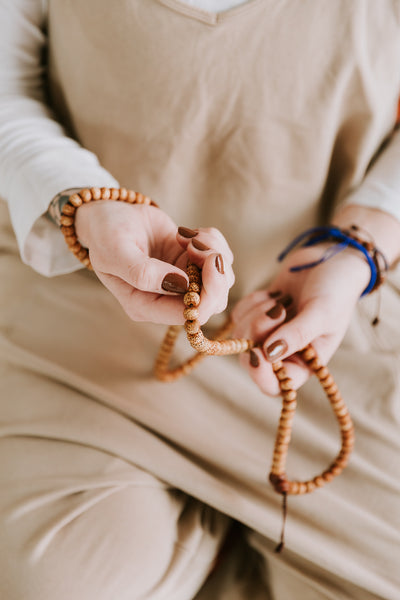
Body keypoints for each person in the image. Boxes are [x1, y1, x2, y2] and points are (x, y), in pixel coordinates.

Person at [1, 0, 400, 598]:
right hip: (85, 305)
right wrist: (81, 203)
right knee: (56, 582)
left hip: (335, 312)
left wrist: (354, 248)